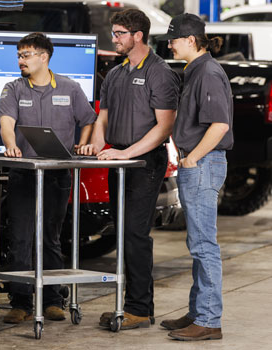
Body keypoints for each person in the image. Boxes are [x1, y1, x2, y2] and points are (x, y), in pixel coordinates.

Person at [77, 9, 180, 330]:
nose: (114, 39)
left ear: (138, 36)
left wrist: (125, 154)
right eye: (115, 32)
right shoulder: (117, 73)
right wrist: (97, 145)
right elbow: (102, 118)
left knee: (135, 235)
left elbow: (163, 128)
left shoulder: (159, 73)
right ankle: (131, 305)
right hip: (120, 161)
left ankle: (139, 308)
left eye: (120, 33)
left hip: (145, 163)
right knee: (122, 234)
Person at [0, 32, 96, 323]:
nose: (20, 61)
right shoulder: (13, 88)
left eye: (26, 55)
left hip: (57, 174)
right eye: (18, 55)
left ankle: (54, 300)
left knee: (51, 238)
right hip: (24, 174)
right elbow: (6, 122)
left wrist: (83, 144)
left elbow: (88, 119)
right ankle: (20, 302)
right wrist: (10, 144)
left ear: (44, 57)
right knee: (20, 238)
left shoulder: (70, 87)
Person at [157, 13, 233, 341]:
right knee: (197, 243)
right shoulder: (196, 71)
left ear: (191, 40)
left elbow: (220, 125)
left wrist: (192, 159)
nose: (169, 44)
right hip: (198, 165)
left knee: (204, 245)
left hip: (203, 165)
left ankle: (208, 320)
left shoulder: (209, 73)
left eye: (173, 39)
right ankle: (197, 310)